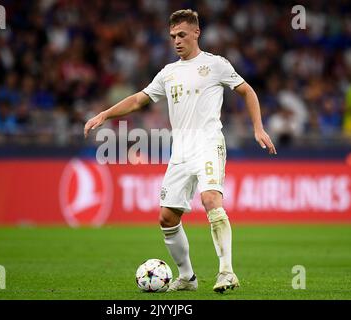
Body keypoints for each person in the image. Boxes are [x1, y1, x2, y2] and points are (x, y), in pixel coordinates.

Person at [84, 9, 277, 293]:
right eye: (173, 36)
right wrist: (105, 114)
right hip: (181, 150)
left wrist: (258, 128)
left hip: (209, 142)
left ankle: (226, 272)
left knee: (211, 198)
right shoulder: (168, 72)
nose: (177, 41)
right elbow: (139, 99)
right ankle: (187, 277)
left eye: (182, 35)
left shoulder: (216, 64)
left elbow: (247, 91)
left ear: (196, 33)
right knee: (167, 217)